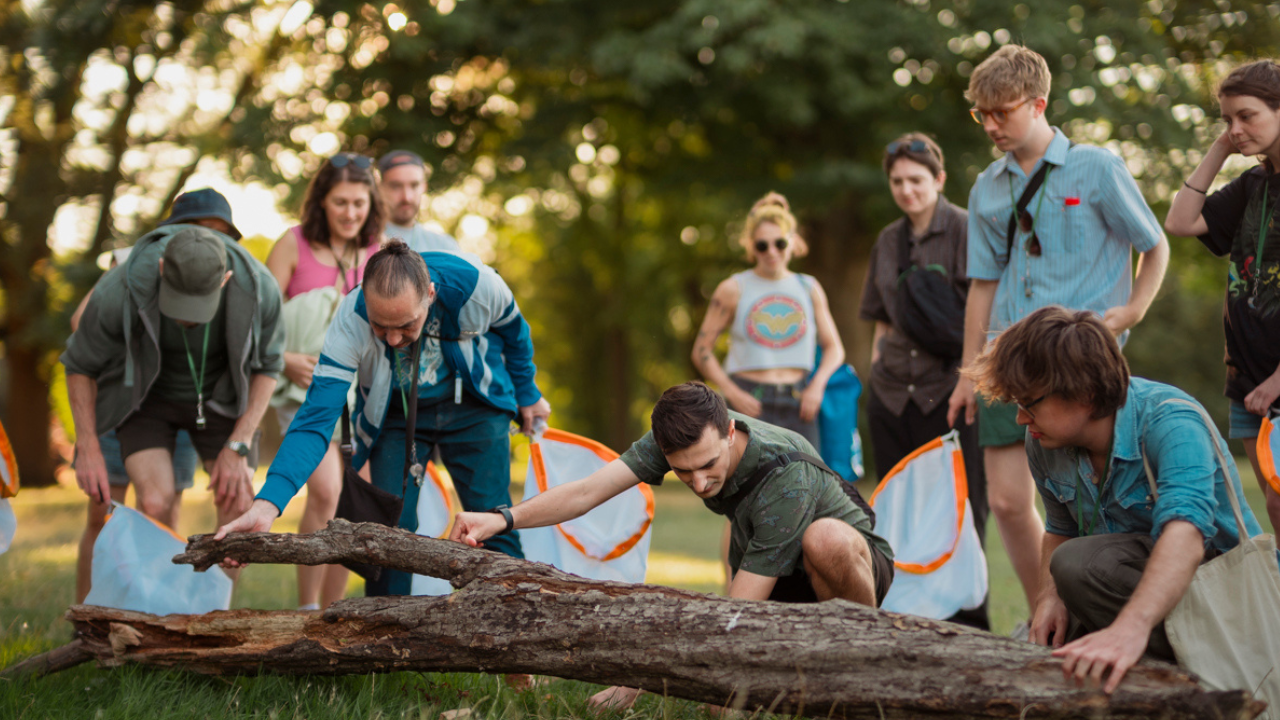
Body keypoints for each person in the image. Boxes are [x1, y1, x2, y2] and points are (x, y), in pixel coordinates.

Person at [449, 380, 893, 710]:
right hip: (780, 576)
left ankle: (864, 670)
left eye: (708, 466)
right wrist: (501, 518)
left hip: (852, 567)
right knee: (715, 701)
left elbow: (735, 616)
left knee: (824, 538)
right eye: (683, 473)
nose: (698, 483)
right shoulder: (680, 436)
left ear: (730, 431)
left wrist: (644, 676)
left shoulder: (785, 478)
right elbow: (586, 492)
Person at [946, 44, 1170, 622]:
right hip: (1004, 355)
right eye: (982, 114)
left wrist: (1131, 311)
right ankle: (1043, 612)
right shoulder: (986, 186)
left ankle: (1097, 607)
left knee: (1087, 497)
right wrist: (970, 371)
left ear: (1039, 103)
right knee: (1005, 501)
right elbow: (982, 283)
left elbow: (1155, 244)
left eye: (1002, 112)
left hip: (1076, 361)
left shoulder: (1097, 168)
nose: (990, 125)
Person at [216, 241, 551, 597]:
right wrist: (267, 504)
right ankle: (387, 633)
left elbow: (516, 334)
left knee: (492, 517)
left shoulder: (476, 286)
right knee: (389, 531)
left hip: (474, 407)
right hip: (396, 415)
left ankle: (509, 618)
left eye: (406, 325)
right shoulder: (350, 318)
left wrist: (527, 393)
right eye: (380, 326)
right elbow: (315, 419)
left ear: (431, 295)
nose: (392, 339)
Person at [966, 305, 1262, 693]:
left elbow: (1185, 536)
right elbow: (1060, 527)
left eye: (1029, 404)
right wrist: (1048, 596)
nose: (1022, 419)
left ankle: (1184, 675)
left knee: (1076, 564)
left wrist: (1130, 629)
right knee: (1062, 582)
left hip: (1225, 606)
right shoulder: (1044, 439)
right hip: (1132, 589)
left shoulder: (1172, 422)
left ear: (1085, 394)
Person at [63, 223, 285, 583]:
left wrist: (238, 442)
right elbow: (79, 364)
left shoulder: (258, 288)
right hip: (147, 398)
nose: (186, 316)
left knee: (238, 508)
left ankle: (218, 625)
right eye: (179, 300)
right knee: (155, 502)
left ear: (225, 279)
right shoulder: (121, 285)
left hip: (220, 400)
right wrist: (87, 445)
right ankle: (143, 614)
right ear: (163, 268)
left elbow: (269, 367)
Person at [70, 189, 242, 602]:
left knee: (163, 512)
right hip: (120, 401)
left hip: (183, 403)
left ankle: (152, 611)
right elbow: (80, 323)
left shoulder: (228, 281)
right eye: (200, 232)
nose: (207, 245)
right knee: (102, 513)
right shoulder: (130, 261)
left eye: (219, 236)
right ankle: (85, 614)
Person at [859, 133, 990, 629]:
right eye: (897, 181)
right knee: (896, 513)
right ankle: (905, 619)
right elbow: (881, 319)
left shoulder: (964, 229)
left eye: (916, 180)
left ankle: (971, 625)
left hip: (949, 392)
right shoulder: (887, 240)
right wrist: (876, 372)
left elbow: (983, 312)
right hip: (892, 394)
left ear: (938, 179)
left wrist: (970, 380)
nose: (906, 190)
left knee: (962, 512)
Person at [1165, 60, 1280, 533]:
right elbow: (1181, 221)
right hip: (1249, 379)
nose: (1235, 129)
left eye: (1247, 116)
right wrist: (1219, 147)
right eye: (1227, 119)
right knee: (1275, 508)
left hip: (1276, 380)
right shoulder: (1253, 185)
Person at [265, 152, 383, 610]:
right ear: (321, 201)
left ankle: (334, 611)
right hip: (304, 389)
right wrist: (285, 360)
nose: (351, 213)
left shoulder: (379, 251)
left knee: (354, 502)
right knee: (325, 490)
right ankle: (306, 607)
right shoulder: (291, 245)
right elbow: (256, 324)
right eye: (340, 203)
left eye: (360, 203)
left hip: (365, 397)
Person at [691, 192, 845, 449]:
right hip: (748, 400)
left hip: (800, 402)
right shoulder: (733, 288)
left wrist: (817, 385)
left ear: (793, 241)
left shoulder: (809, 287)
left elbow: (835, 348)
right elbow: (701, 350)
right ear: (751, 246)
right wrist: (731, 392)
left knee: (806, 484)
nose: (771, 252)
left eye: (780, 243)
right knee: (745, 485)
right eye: (762, 245)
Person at [378, 150, 462, 253]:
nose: (406, 197)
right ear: (380, 188)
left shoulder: (445, 247)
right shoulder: (365, 242)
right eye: (396, 186)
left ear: (424, 187)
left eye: (414, 185)